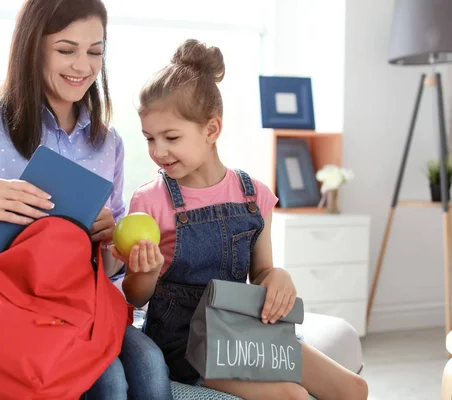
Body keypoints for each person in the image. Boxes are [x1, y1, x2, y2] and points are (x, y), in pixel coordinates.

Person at [0, 1, 172, 399]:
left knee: (151, 364)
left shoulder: (107, 143)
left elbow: (109, 274)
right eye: (66, 50)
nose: (83, 66)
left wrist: (109, 241)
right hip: (3, 305)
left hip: (78, 306)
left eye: (95, 51)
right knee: (108, 381)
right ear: (33, 47)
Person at [112, 39, 369, 400]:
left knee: (353, 388)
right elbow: (137, 298)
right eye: (149, 138)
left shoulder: (254, 195)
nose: (158, 151)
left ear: (211, 130)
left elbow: (262, 273)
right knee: (290, 395)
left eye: (171, 137)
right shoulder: (150, 199)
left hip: (241, 329)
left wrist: (278, 277)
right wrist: (145, 271)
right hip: (186, 343)